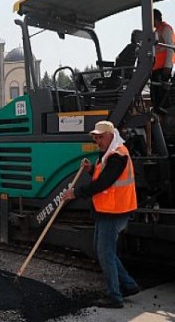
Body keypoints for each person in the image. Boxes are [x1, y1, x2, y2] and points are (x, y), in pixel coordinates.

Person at [63, 121, 140, 308]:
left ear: (111, 135)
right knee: (103, 251)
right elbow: (100, 178)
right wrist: (90, 170)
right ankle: (129, 285)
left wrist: (76, 193)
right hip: (106, 209)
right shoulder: (107, 154)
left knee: (105, 253)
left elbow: (104, 183)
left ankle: (115, 296)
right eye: (95, 137)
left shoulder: (117, 155)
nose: (97, 141)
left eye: (100, 137)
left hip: (115, 211)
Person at [150, 9, 174, 113]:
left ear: (154, 18)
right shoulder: (156, 32)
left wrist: (167, 67)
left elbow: (170, 48)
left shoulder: (165, 29)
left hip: (163, 69)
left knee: (162, 98)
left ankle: (165, 121)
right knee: (155, 96)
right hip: (155, 69)